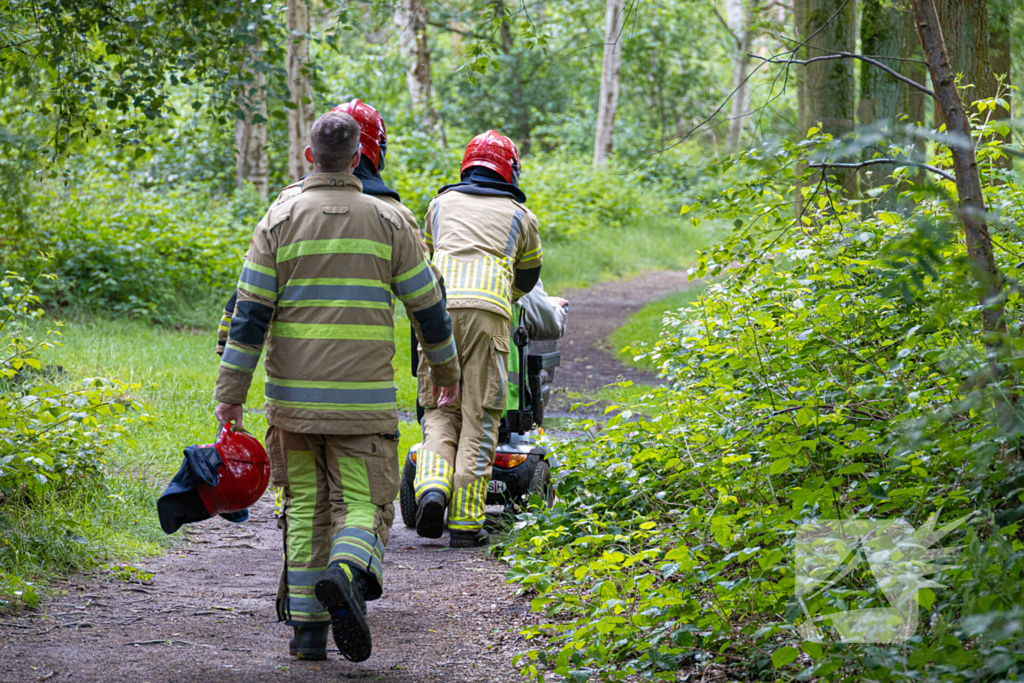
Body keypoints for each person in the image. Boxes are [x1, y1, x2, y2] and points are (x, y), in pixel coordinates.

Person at [212, 111, 460, 663]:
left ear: (309, 156)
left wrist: (231, 394)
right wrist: (446, 374)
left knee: (303, 508)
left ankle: (306, 633)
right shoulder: (390, 220)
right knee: (364, 506)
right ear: (357, 159)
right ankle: (347, 573)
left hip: (292, 408)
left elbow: (249, 316)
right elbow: (430, 310)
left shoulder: (278, 218)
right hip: (362, 410)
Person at [216, 98, 433, 356]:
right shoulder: (396, 214)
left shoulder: (288, 201)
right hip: (364, 361)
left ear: (315, 151)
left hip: (293, 364)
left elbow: (253, 276)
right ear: (375, 151)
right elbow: (426, 293)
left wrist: (226, 337)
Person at [414, 130, 543, 548]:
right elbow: (527, 276)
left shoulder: (439, 204)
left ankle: (432, 488)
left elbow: (427, 256)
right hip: (488, 314)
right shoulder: (521, 217)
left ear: (468, 166)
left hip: (437, 312)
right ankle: (467, 524)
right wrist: (503, 297)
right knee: (480, 415)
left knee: (438, 409)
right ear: (510, 170)